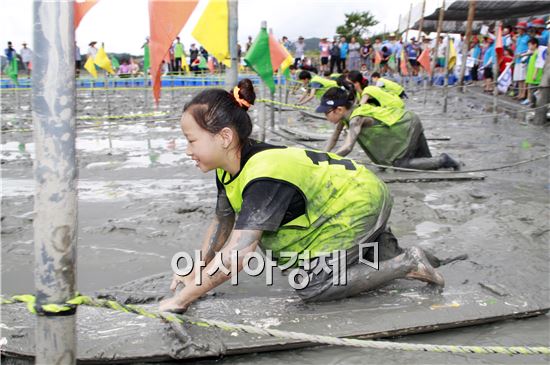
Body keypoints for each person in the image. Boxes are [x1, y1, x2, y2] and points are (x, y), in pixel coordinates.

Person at [158, 78, 445, 313]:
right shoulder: (229, 166)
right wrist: (196, 269)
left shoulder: (263, 174)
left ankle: (408, 263)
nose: (187, 150)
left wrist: (182, 299)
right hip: (349, 193)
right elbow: (223, 222)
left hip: (357, 201)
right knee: (341, 261)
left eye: (191, 140)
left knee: (312, 283)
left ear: (224, 137)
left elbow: (237, 254)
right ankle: (387, 254)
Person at [318, 82, 460, 171]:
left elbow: (348, 146)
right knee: (425, 162)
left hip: (407, 126)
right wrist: (322, 155)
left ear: (339, 110)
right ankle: (450, 162)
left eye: (326, 113)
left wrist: (329, 161)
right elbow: (334, 138)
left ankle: (443, 160)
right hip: (409, 120)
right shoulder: (347, 116)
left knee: (401, 164)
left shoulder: (356, 119)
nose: (326, 117)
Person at [513, 22, 530, 100]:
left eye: (519, 28)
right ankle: (519, 94)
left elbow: (529, 49)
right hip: (517, 60)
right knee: (519, 78)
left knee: (523, 78)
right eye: (518, 28)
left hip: (524, 60)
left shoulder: (527, 37)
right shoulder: (518, 38)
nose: (518, 30)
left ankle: (523, 94)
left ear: (523, 29)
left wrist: (523, 55)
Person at [525, 37, 543, 106]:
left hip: (535, 74)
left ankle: (533, 103)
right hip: (530, 73)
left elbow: (538, 64)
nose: (529, 46)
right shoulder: (532, 53)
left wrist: (535, 74)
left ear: (535, 45)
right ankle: (530, 101)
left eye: (530, 45)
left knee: (533, 90)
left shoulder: (538, 53)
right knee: (530, 88)